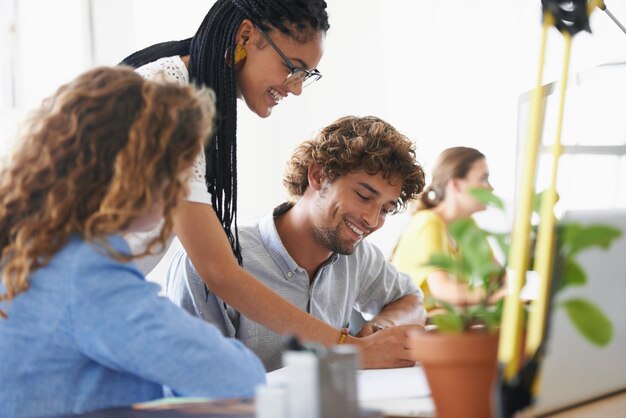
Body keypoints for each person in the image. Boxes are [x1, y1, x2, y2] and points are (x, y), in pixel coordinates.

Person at [0, 67, 265, 418]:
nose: (179, 187)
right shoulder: (86, 270)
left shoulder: (31, 244)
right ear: (136, 169)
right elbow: (236, 377)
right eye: (176, 169)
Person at [120, 0, 358, 348]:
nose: (296, 88)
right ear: (246, 34)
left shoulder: (187, 94)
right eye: (292, 67)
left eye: (306, 75)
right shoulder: (168, 98)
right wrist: (351, 348)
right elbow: (219, 272)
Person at [166, 115, 428, 371]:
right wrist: (358, 351)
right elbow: (195, 387)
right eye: (363, 195)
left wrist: (381, 329)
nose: (372, 220)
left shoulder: (358, 257)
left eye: (385, 209)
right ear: (317, 176)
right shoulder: (214, 258)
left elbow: (411, 300)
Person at [391, 146, 505, 309]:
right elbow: (444, 292)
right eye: (483, 178)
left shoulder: (468, 227)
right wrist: (498, 295)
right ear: (456, 185)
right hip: (408, 325)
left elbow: (499, 277)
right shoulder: (428, 223)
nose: (491, 187)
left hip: (438, 324)